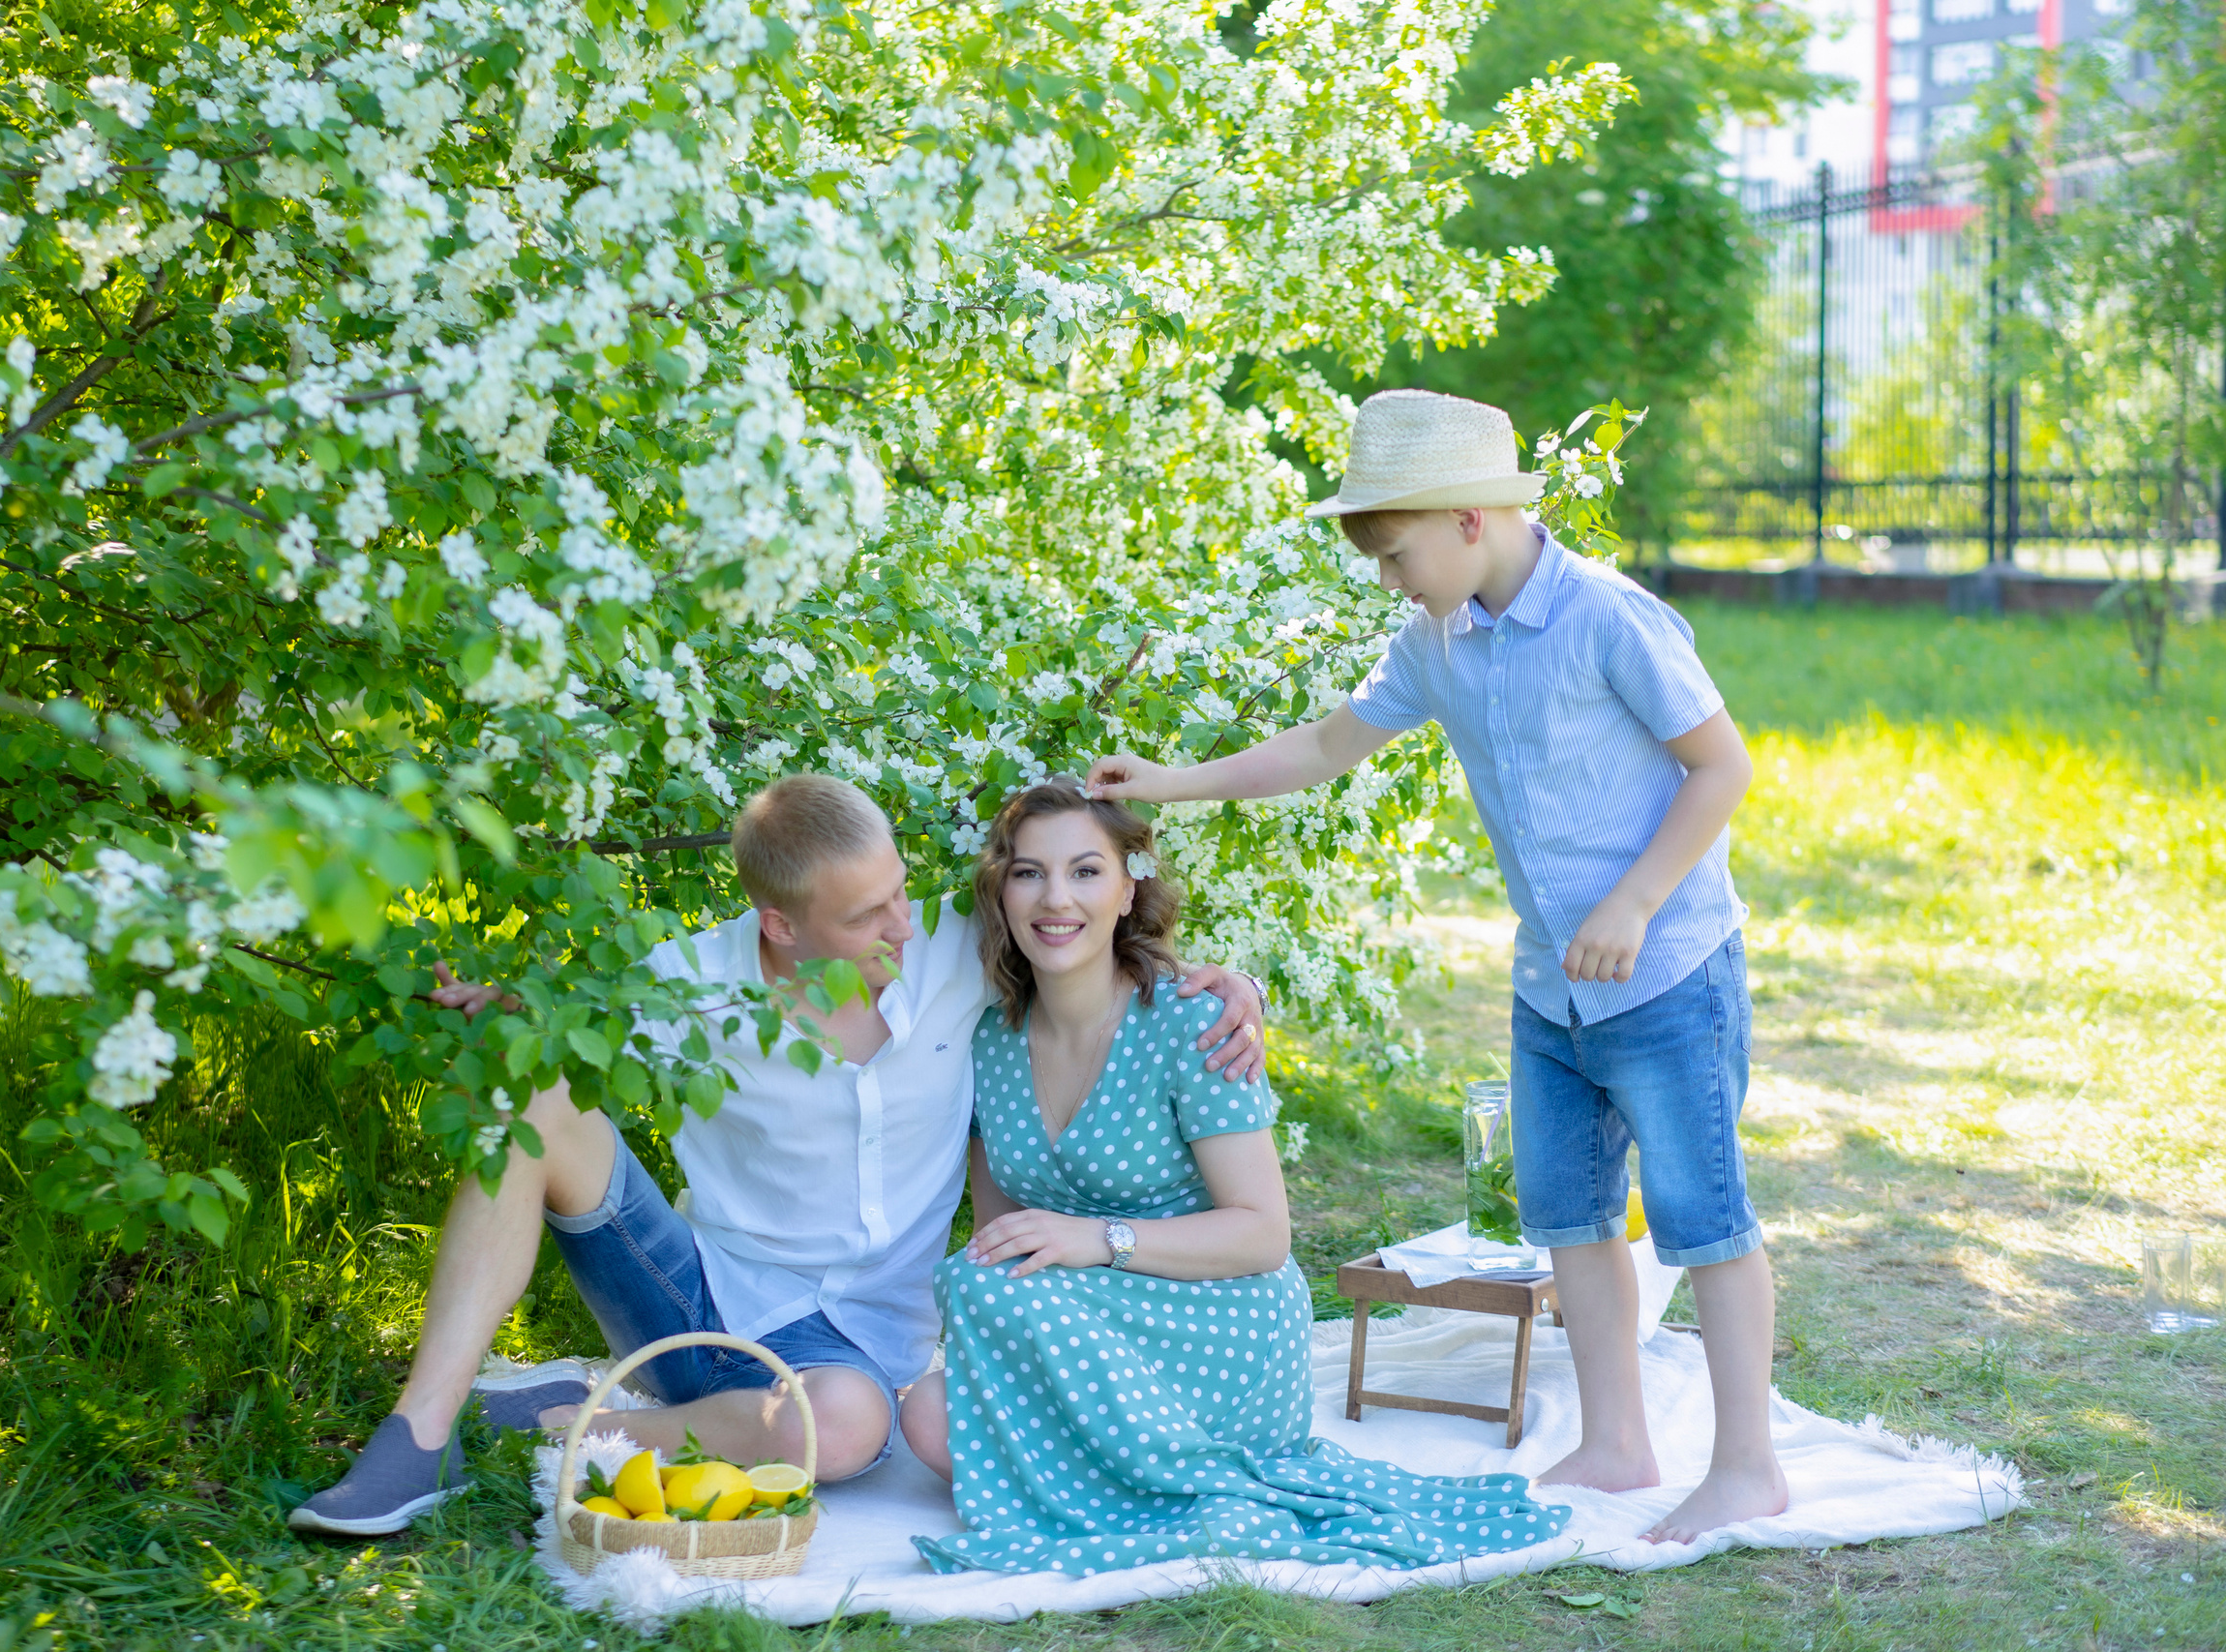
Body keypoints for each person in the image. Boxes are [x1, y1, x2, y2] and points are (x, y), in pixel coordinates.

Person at [1086, 388, 1784, 1547]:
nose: (1387, 581)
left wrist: (1634, 899)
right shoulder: (1435, 644)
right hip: (1549, 985)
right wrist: (1172, 779)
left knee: (1705, 1218)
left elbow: (1721, 766)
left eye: (1396, 554)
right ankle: (1617, 1443)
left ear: (1470, 520)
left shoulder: (1611, 618)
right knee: (1568, 1217)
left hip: (1667, 970)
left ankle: (1748, 1467)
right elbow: (1324, 746)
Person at [288, 773, 1267, 1537]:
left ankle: (553, 1420)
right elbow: (562, 1022)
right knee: (535, 1093)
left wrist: (1211, 979)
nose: (902, 924)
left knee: (843, 1426)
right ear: (780, 926)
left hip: (850, 1355)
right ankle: (419, 1433)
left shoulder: (950, 947)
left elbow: (1077, 928)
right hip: (694, 1297)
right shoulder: (692, 989)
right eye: (866, 916)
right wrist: (495, 1006)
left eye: (898, 894)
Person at [897, 777, 1569, 1575]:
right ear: (1001, 892)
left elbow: (1262, 1233)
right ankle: (1119, 1480)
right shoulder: (990, 1043)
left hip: (1218, 1319)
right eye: (1028, 872)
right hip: (1086, 1322)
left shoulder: (1193, 1020)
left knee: (976, 1318)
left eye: (1084, 870)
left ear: (1127, 886)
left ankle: (1139, 1483)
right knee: (931, 1418)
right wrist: (1045, 1261)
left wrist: (1094, 1238)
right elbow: (1008, 1243)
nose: (1056, 898)